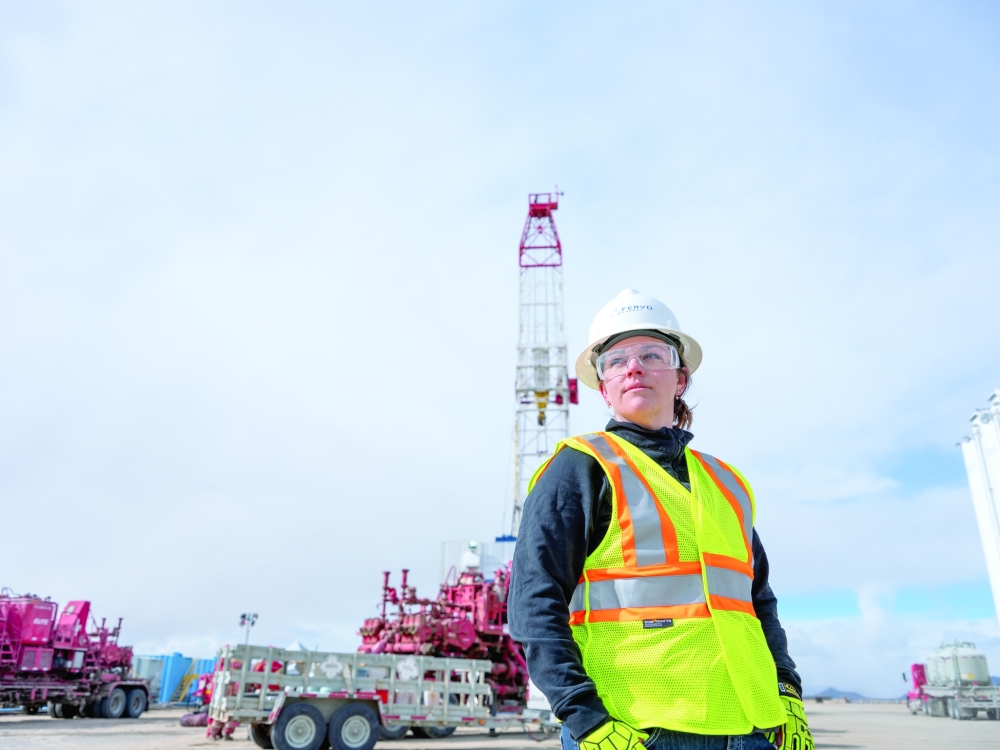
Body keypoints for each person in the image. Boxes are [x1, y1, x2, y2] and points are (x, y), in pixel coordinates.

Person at [509, 289, 813, 750]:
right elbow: (534, 599)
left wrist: (786, 688)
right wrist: (582, 715)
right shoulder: (582, 467)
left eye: (652, 355)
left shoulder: (725, 483)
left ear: (680, 378)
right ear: (604, 387)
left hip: (752, 726)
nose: (633, 367)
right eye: (615, 361)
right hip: (636, 728)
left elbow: (757, 601)